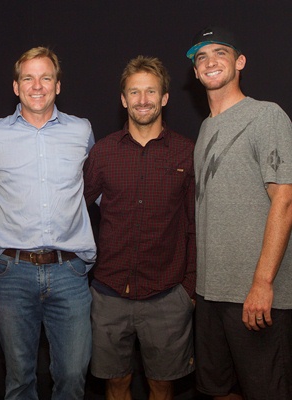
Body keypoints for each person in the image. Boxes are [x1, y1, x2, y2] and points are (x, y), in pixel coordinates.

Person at [0, 47, 96, 400]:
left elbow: (101, 191)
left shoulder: (81, 131)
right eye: (28, 78)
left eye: (46, 78)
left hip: (70, 271)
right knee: (18, 379)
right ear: (16, 87)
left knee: (73, 376)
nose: (37, 86)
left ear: (58, 85)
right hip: (12, 272)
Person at [188, 26, 292, 399]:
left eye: (220, 53)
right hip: (211, 293)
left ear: (240, 62)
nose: (210, 61)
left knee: (266, 391)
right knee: (217, 389)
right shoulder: (205, 128)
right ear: (196, 72)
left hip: (256, 296)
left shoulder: (267, 116)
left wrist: (263, 284)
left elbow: (285, 200)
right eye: (201, 57)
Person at [83, 56, 195, 400]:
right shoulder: (102, 153)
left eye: (151, 91)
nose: (142, 99)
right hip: (109, 293)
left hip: (166, 294)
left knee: (162, 386)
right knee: (115, 384)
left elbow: (195, 224)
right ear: (123, 99)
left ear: (164, 98)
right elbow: (75, 215)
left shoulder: (187, 153)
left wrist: (188, 291)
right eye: (134, 92)